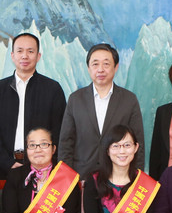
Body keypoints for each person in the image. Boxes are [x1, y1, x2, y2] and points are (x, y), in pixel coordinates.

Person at [0, 32, 66, 180]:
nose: (25, 56)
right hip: (4, 168)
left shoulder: (53, 89)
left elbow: (59, 130)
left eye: (30, 51)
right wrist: (7, 163)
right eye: (20, 51)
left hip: (43, 168)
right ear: (12, 55)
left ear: (38, 56)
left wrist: (45, 162)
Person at [59, 43, 144, 177]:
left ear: (116, 67)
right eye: (95, 64)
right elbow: (66, 144)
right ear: (88, 68)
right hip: (82, 177)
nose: (100, 69)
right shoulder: (75, 99)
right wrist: (67, 178)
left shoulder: (129, 100)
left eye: (106, 64)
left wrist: (135, 178)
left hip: (118, 178)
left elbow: (138, 143)